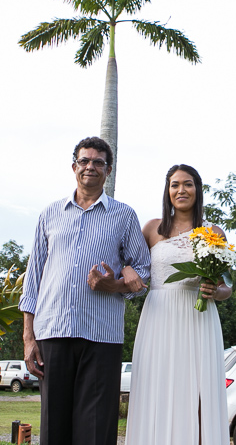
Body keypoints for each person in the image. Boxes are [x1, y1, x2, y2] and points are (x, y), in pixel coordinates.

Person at [20, 136, 152, 445]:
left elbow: (143, 273)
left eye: (98, 162)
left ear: (109, 171)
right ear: (74, 166)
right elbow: (33, 277)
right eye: (84, 161)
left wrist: (114, 285)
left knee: (96, 429)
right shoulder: (50, 214)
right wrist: (29, 338)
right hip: (53, 332)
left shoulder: (124, 216)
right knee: (54, 428)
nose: (90, 167)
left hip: (102, 337)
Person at [124, 164, 232, 445]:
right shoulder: (152, 228)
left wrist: (216, 291)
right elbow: (129, 264)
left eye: (188, 184)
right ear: (167, 190)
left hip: (199, 319)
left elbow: (227, 286)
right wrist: (126, 270)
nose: (181, 190)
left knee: (198, 393)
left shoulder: (213, 232)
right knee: (157, 390)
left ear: (198, 189)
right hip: (159, 319)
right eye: (174, 184)